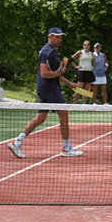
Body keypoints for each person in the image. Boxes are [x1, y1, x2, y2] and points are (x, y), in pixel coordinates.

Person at [7, 27, 85, 158]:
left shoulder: (50, 51)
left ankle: (17, 142)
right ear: (50, 37)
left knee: (40, 118)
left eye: (61, 37)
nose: (59, 40)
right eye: (57, 37)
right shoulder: (48, 52)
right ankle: (66, 148)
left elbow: (55, 75)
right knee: (64, 114)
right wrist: (61, 72)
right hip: (49, 89)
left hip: (44, 88)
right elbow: (45, 73)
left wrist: (69, 83)